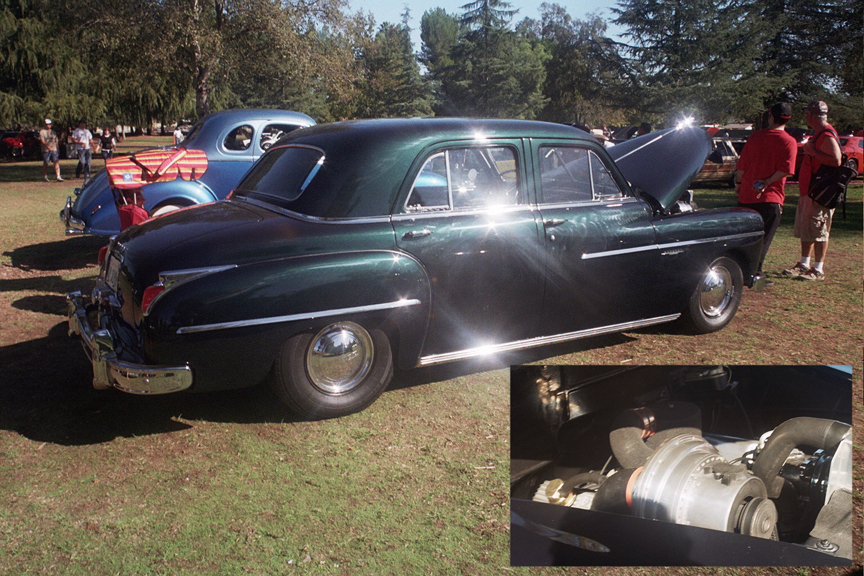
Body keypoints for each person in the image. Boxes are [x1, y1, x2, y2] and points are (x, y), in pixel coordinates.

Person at [733, 103, 797, 279]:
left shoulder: (756, 137)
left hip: (747, 196)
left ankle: (739, 271)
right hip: (771, 197)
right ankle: (755, 272)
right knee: (764, 238)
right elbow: (787, 169)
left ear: (771, 117)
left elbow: (742, 166)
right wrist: (768, 181)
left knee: (744, 237)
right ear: (788, 119)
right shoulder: (789, 141)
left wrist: (738, 184)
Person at [782, 101, 842, 281]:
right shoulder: (819, 134)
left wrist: (812, 151)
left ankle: (818, 269)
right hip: (810, 191)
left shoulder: (827, 135)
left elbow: (836, 160)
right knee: (808, 229)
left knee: (819, 229)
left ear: (812, 115)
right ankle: (803, 263)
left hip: (820, 193)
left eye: (807, 113)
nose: (806, 116)